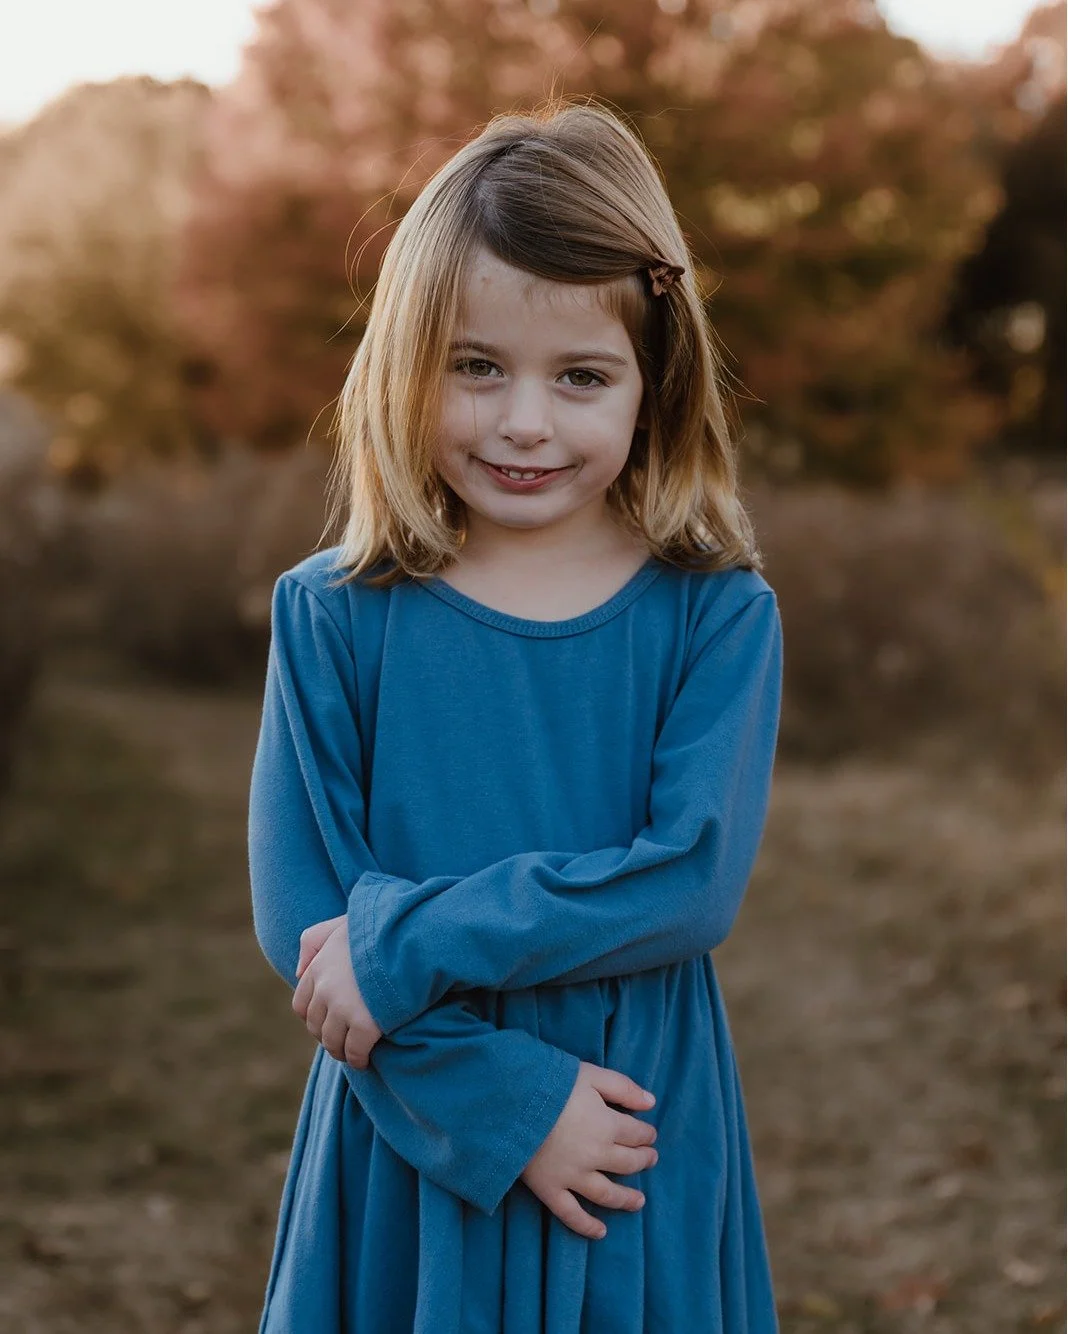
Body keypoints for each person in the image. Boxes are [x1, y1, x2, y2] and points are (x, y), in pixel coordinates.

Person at [248, 99, 783, 1334]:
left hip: (629, 1123)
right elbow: (308, 925)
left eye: (581, 375)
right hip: (412, 1114)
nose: (525, 420)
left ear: (654, 388)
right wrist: (503, 1099)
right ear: (404, 365)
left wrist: (414, 944)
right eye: (476, 365)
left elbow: (690, 877)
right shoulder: (336, 613)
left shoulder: (715, 612)